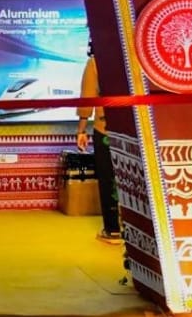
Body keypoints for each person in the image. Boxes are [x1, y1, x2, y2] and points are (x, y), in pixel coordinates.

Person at [77, 43, 121, 243]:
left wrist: (81, 130)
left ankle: (112, 229)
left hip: (104, 130)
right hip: (132, 131)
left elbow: (87, 99)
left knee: (107, 178)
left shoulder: (95, 63)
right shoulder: (130, 62)